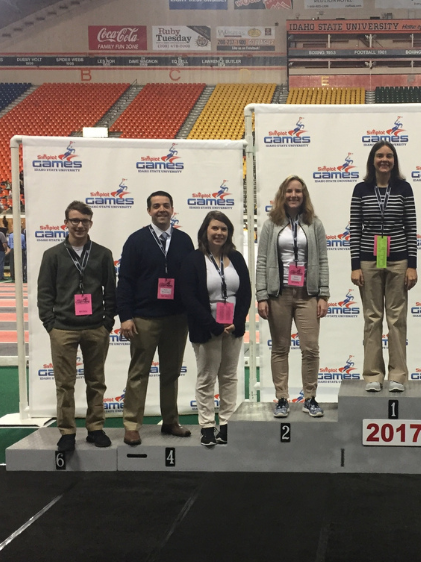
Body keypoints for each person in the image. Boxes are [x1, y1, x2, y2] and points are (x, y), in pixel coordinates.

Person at [117, 191, 196, 446]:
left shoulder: (184, 240)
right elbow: (125, 281)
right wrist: (126, 317)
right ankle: (131, 425)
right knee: (138, 372)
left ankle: (170, 420)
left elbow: (191, 279)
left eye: (165, 205)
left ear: (173, 209)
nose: (161, 209)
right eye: (156, 206)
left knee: (171, 373)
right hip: (144, 319)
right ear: (149, 211)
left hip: (176, 318)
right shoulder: (136, 240)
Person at [37, 201, 116, 452]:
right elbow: (44, 293)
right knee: (65, 383)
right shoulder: (52, 255)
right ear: (66, 223)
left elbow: (111, 292)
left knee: (96, 380)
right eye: (75, 221)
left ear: (90, 223)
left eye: (84, 221)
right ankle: (67, 431)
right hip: (63, 328)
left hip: (95, 327)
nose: (79, 225)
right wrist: (51, 324)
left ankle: (95, 428)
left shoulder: (103, 254)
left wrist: (107, 323)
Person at [256, 175, 329, 418]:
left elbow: (322, 260)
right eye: (289, 191)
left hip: (307, 293)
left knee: (310, 348)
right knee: (280, 347)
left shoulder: (314, 224)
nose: (294, 195)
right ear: (282, 194)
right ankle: (282, 398)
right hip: (279, 293)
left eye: (298, 191)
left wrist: (323, 294)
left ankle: (310, 397)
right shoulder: (270, 224)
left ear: (304, 195)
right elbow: (262, 261)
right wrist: (262, 295)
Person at [350, 141, 417, 393]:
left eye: (389, 155)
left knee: (397, 318)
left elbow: (411, 228)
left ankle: (398, 375)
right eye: (380, 155)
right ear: (373, 159)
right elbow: (355, 229)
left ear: (394, 160)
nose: (384, 160)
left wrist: (412, 265)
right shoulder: (361, 189)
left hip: (399, 260)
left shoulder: (404, 188)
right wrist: (355, 265)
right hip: (369, 260)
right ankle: (373, 376)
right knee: (372, 317)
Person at [179, 212, 251, 446]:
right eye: (214, 228)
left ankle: (227, 424)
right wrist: (212, 325)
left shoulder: (237, 258)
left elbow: (245, 293)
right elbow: (188, 297)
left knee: (229, 377)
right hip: (206, 328)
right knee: (207, 378)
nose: (219, 233)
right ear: (205, 232)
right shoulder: (193, 259)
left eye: (223, 229)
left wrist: (237, 322)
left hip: (233, 327)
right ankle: (208, 426)